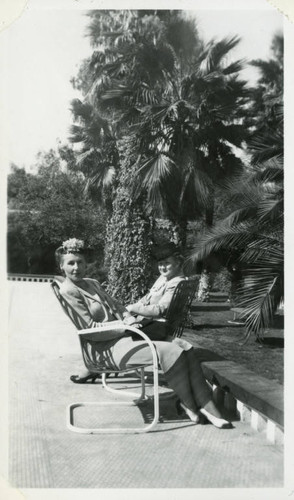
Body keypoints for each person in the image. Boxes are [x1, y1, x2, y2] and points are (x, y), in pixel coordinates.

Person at [55, 238, 232, 429]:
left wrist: (129, 319)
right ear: (61, 266)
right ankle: (190, 404)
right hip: (104, 349)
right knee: (170, 351)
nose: (76, 267)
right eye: (70, 263)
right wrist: (125, 325)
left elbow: (117, 305)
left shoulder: (91, 283)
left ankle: (206, 405)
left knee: (184, 347)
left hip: (123, 339)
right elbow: (89, 329)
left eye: (80, 262)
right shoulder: (69, 290)